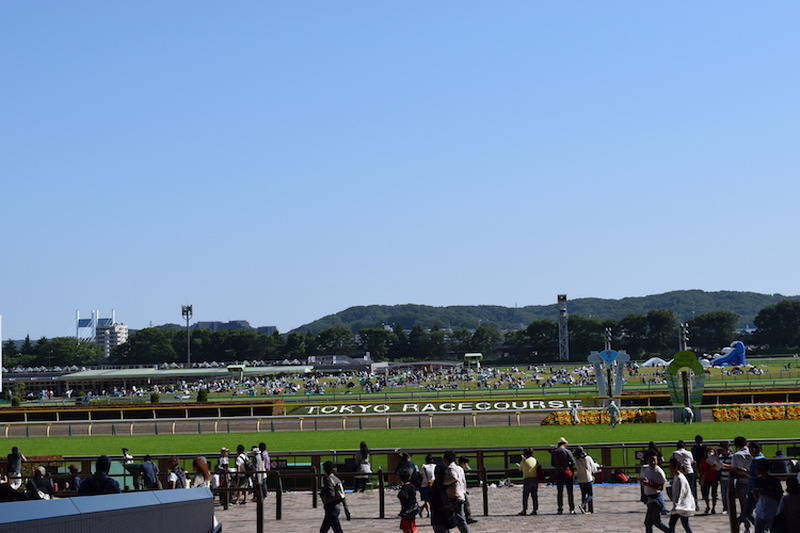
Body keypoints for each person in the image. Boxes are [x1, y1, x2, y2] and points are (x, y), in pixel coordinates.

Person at [725, 436, 753, 532]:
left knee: (743, 505)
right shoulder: (752, 453)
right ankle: (746, 523)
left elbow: (734, 469)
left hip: (741, 483)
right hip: (752, 482)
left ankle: (747, 525)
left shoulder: (736, 455)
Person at [640, 451, 669, 533]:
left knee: (648, 523)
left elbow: (661, 488)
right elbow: (642, 482)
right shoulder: (644, 469)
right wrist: (643, 494)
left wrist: (648, 484)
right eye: (651, 460)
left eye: (654, 460)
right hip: (648, 498)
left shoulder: (659, 473)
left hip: (655, 500)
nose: (653, 462)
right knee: (657, 522)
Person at [752, 458, 782, 533]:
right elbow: (757, 498)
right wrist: (755, 493)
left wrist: (766, 493)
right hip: (760, 509)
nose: (757, 470)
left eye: (759, 468)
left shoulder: (774, 481)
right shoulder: (758, 480)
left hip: (772, 511)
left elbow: (779, 497)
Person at [443, 450, 469, 533]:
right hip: (458, 495)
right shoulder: (456, 467)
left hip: (455, 496)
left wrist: (445, 483)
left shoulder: (451, 468)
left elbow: (454, 477)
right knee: (458, 518)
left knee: (460, 519)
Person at [667, 457, 696, 533]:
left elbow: (681, 493)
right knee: (682, 524)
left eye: (671, 466)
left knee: (681, 524)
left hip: (682, 506)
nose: (669, 468)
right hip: (680, 506)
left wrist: (676, 504)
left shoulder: (680, 478)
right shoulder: (677, 477)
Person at [320, 461, 349, 533]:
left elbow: (331, 494)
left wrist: (323, 492)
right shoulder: (337, 479)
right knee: (324, 530)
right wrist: (346, 509)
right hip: (336, 508)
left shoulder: (328, 479)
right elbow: (342, 495)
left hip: (331, 508)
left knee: (336, 530)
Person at [551, 437, 576, 514]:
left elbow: (553, 464)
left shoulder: (554, 452)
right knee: (570, 492)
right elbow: (573, 462)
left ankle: (560, 508)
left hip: (558, 473)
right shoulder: (567, 451)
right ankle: (571, 508)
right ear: (564, 444)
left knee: (560, 492)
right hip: (567, 473)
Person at [430, 464, 456, 533]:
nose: (445, 476)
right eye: (444, 474)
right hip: (439, 520)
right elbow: (441, 507)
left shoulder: (440, 486)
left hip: (443, 520)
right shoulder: (437, 489)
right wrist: (453, 505)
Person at [574, 446, 600, 514]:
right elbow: (593, 468)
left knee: (583, 494)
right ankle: (584, 505)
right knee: (590, 495)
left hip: (580, 479)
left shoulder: (576, 460)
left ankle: (584, 509)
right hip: (588, 479)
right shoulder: (588, 458)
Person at [671, 441, 696, 508]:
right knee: (690, 489)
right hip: (690, 472)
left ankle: (681, 504)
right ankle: (693, 504)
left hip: (681, 474)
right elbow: (691, 462)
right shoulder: (689, 453)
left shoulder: (675, 453)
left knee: (681, 490)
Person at [518, 447, 539, 516]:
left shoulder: (524, 461)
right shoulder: (534, 459)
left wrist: (522, 460)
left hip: (527, 479)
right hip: (535, 478)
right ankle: (535, 510)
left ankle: (524, 510)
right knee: (534, 495)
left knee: (525, 496)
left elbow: (520, 468)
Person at [398, 468, 419, 533]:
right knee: (411, 524)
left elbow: (405, 497)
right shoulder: (412, 486)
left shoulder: (404, 487)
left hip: (407, 508)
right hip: (412, 507)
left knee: (407, 526)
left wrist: (399, 495)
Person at [698, 447, 719, 514]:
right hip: (706, 479)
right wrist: (700, 478)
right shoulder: (703, 460)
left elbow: (718, 469)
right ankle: (708, 506)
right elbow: (701, 470)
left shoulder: (716, 460)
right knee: (706, 494)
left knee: (714, 494)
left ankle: (713, 507)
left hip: (714, 479)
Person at [457, 456, 477, 525]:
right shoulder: (459, 469)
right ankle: (467, 518)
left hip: (462, 490)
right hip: (461, 491)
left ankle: (467, 518)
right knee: (465, 505)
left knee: (465, 505)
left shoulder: (460, 469)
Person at [715, 441, 733, 515]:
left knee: (729, 494)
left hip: (730, 478)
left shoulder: (732, 456)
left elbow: (733, 467)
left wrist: (724, 465)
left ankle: (730, 508)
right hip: (723, 478)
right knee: (723, 494)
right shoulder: (721, 456)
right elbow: (718, 468)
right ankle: (725, 507)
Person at [419, 454, 436, 518]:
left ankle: (427, 512)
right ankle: (428, 511)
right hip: (433, 485)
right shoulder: (435, 466)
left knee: (426, 500)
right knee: (431, 500)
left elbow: (420, 474)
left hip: (424, 484)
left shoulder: (423, 467)